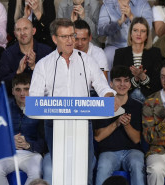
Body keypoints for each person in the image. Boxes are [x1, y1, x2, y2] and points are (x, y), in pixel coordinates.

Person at [29, 18, 116, 185]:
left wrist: (108, 96)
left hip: (83, 123)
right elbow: (35, 99)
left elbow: (103, 87)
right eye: (65, 37)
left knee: (85, 170)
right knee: (61, 170)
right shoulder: (44, 65)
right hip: (54, 125)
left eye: (72, 35)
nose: (70, 41)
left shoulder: (87, 61)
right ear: (54, 39)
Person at [0, 73, 46, 185]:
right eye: (18, 89)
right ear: (12, 91)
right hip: (8, 152)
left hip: (31, 153)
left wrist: (28, 145)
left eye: (26, 89)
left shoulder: (39, 108)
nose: (22, 93)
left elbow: (44, 142)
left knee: (35, 171)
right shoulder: (5, 107)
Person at [93, 65, 145, 185]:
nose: (122, 84)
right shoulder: (103, 105)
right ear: (111, 84)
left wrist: (126, 125)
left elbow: (136, 139)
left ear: (130, 84)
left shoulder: (137, 106)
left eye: (126, 80)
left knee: (138, 164)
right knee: (103, 166)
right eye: (118, 80)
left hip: (132, 151)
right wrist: (117, 123)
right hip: (108, 152)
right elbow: (98, 137)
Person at [113, 17, 163, 103]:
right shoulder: (120, 53)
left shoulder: (155, 53)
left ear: (147, 35)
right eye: (135, 30)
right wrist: (135, 79)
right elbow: (117, 83)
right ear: (130, 34)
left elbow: (158, 84)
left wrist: (143, 77)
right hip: (127, 98)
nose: (138, 34)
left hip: (150, 98)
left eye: (143, 31)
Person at [0, 18, 52, 96]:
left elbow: (52, 83)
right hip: (16, 102)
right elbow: (2, 85)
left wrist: (34, 67)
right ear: (15, 34)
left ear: (33, 31)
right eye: (18, 30)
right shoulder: (8, 54)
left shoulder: (46, 52)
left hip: (40, 100)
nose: (22, 33)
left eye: (26, 29)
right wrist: (18, 72)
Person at [98, 0, 153, 72]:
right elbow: (101, 31)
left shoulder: (143, 3)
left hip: (138, 46)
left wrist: (131, 17)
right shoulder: (107, 4)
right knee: (107, 54)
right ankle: (109, 83)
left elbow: (149, 29)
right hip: (115, 46)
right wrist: (118, 23)